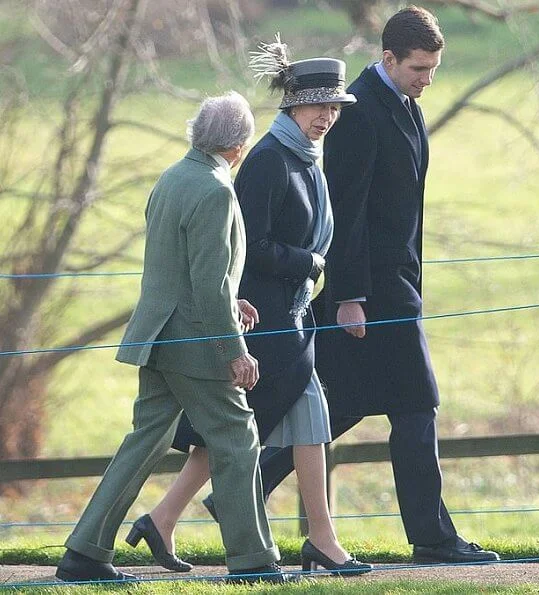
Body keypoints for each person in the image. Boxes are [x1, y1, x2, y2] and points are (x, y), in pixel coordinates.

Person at [203, 6, 500, 564]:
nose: (427, 79)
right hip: (374, 291)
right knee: (418, 405)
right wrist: (348, 296)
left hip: (396, 281)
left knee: (343, 400)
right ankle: (433, 540)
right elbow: (348, 213)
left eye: (434, 69)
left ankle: (237, 492)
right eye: (418, 69)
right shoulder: (359, 113)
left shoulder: (406, 106)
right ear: (387, 59)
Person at [134, 43, 371, 577]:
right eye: (316, 107)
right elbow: (250, 246)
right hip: (263, 320)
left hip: (292, 317)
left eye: (333, 107)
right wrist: (309, 261)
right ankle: (323, 540)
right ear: (290, 107)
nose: (326, 116)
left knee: (242, 428)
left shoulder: (306, 158)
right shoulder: (268, 160)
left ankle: (164, 516)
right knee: (280, 422)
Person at [55, 91, 294, 585]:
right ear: (238, 147)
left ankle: (85, 550)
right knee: (237, 437)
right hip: (194, 342)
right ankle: (253, 559)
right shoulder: (216, 190)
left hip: (158, 337)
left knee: (146, 440)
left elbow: (187, 272)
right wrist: (237, 351)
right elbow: (206, 284)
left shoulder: (171, 178)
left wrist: (234, 303)